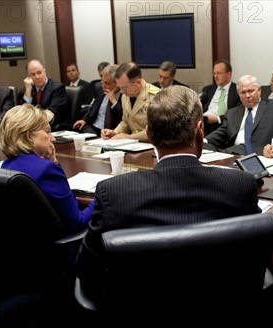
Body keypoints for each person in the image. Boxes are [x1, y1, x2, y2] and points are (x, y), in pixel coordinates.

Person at [77, 85, 261, 294]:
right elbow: (255, 256)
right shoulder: (239, 185)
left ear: (149, 135)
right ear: (200, 131)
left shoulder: (114, 193)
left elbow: (87, 269)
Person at [0, 104, 94, 234]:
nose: (53, 138)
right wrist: (102, 198)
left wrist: (53, 162)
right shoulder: (46, 170)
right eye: (48, 131)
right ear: (29, 137)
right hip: (64, 251)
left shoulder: (6, 165)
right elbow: (78, 223)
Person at [204, 74, 273, 156]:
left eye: (251, 91)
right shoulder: (232, 113)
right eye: (243, 92)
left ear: (259, 90)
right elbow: (220, 134)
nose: (247, 96)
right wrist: (203, 141)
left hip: (261, 153)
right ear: (238, 94)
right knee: (202, 145)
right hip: (234, 153)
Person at [100, 61, 160, 142]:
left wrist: (130, 137)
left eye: (124, 88)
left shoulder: (156, 96)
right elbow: (126, 121)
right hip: (133, 145)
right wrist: (114, 132)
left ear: (138, 82)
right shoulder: (125, 96)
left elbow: (156, 130)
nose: (121, 91)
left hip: (152, 145)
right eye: (119, 87)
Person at [72, 64, 123, 135]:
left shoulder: (124, 95)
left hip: (111, 131)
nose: (103, 86)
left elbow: (122, 118)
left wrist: (114, 101)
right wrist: (84, 120)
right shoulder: (100, 90)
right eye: (102, 82)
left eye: (107, 83)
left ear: (118, 83)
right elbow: (93, 107)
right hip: (94, 127)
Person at [22, 59, 68, 130]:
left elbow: (51, 114)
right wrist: (28, 91)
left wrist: (30, 120)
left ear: (45, 72)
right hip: (34, 128)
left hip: (53, 127)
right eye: (33, 74)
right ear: (28, 76)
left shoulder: (57, 88)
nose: (37, 77)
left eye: (39, 72)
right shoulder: (28, 88)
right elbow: (23, 113)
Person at [199, 59, 241, 135]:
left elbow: (238, 113)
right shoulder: (208, 89)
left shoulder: (237, 90)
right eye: (214, 73)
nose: (215, 76)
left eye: (219, 73)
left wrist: (217, 119)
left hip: (224, 124)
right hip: (205, 123)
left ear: (228, 74)